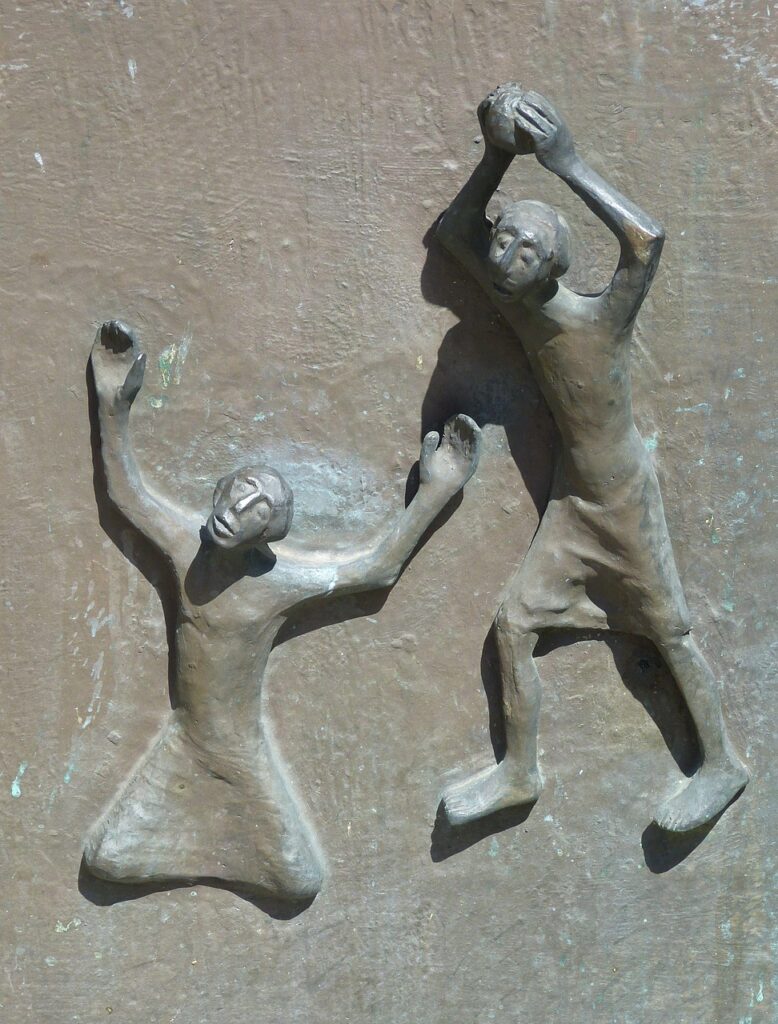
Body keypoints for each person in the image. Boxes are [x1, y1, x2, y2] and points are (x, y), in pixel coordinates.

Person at [436, 84, 748, 833]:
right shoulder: (518, 302)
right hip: (574, 506)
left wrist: (567, 162)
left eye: (527, 252)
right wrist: (495, 155)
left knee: (668, 633)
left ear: (552, 267)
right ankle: (519, 771)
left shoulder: (598, 320)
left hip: (623, 503)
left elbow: (646, 242)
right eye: (505, 242)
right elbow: (456, 230)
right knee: (514, 625)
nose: (507, 257)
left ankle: (720, 763)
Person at [86, 320, 481, 898]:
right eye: (235, 492)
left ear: (266, 532)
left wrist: (436, 491)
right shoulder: (182, 548)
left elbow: (376, 570)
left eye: (256, 508)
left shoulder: (274, 585)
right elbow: (126, 494)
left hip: (238, 755)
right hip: (185, 744)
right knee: (108, 859)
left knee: (297, 881)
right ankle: (203, 854)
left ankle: (220, 852)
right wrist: (111, 403)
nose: (235, 510)